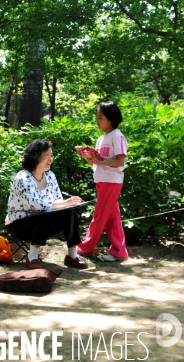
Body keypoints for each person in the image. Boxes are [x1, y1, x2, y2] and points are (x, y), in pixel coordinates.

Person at [5, 140, 88, 270]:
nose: (51, 159)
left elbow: (58, 201)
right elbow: (36, 205)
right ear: (36, 156)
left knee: (69, 212)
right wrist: (65, 203)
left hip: (43, 223)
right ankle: (32, 256)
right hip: (19, 224)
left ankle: (72, 255)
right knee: (47, 214)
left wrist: (71, 203)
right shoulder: (23, 177)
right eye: (47, 155)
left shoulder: (50, 176)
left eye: (51, 155)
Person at [76, 102, 129, 262]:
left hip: (111, 181)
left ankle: (85, 248)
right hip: (102, 180)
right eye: (97, 117)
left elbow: (120, 161)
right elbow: (96, 161)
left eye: (100, 117)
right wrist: (86, 155)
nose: (97, 121)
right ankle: (119, 251)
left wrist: (98, 161)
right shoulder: (101, 138)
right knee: (112, 218)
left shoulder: (117, 136)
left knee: (99, 216)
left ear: (111, 118)